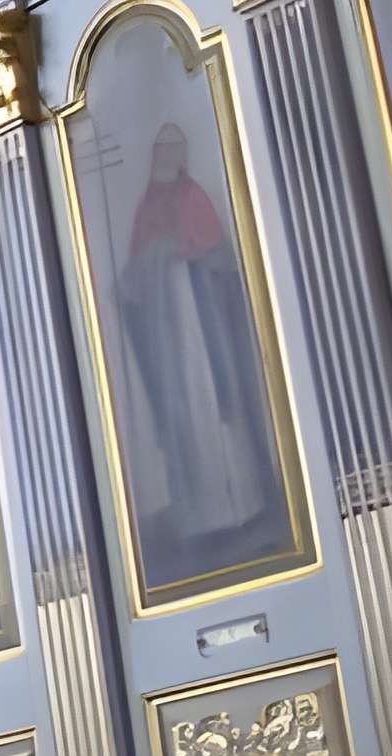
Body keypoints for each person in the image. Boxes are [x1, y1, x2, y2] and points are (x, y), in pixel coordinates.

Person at [113, 121, 288, 573]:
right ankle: (201, 519)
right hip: (169, 338)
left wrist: (183, 254)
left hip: (204, 329)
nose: (168, 159)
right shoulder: (148, 205)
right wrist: (152, 263)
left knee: (216, 410)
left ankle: (240, 507)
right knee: (186, 423)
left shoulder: (194, 196)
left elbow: (220, 256)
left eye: (175, 150)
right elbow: (132, 276)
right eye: (162, 151)